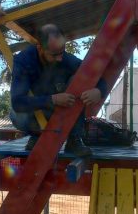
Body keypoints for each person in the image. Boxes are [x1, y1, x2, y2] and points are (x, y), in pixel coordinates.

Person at [10, 24, 107, 156]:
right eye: (54, 55)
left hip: (60, 113)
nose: (60, 58)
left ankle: (74, 140)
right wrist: (53, 99)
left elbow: (97, 77)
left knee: (79, 79)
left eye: (62, 52)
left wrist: (99, 91)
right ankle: (37, 136)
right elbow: (17, 103)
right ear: (40, 48)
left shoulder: (66, 59)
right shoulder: (23, 61)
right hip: (32, 116)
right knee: (18, 115)